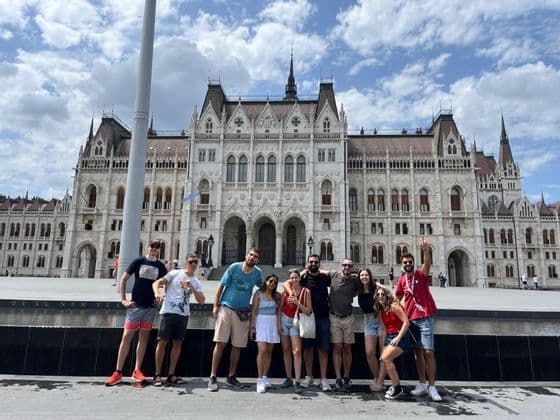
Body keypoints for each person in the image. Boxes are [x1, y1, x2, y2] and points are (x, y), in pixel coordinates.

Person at [105, 241, 167, 386]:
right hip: (135, 306)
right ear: (148, 248)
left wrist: (162, 297)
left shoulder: (160, 266)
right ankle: (118, 372)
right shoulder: (139, 261)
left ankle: (137, 370)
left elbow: (167, 282)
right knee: (127, 336)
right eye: (152, 247)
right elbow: (123, 279)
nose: (154, 249)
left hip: (150, 307)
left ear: (159, 250)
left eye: (157, 248)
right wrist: (123, 299)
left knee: (143, 337)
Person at [208, 248, 263, 392]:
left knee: (237, 345)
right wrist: (215, 306)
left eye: (255, 256)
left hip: (243, 312)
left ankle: (231, 376)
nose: (252, 257)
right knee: (220, 343)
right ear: (246, 256)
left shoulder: (257, 273)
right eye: (250, 254)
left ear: (258, 260)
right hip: (226, 308)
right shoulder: (234, 267)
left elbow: (263, 287)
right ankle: (213, 376)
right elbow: (221, 286)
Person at [395, 239, 442, 401]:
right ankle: (422, 384)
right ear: (402, 264)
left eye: (410, 262)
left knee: (429, 352)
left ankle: (432, 386)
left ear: (414, 263)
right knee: (418, 352)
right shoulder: (401, 280)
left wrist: (426, 251)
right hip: (411, 320)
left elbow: (427, 264)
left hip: (425, 318)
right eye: (405, 262)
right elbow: (397, 298)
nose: (408, 264)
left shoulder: (421, 275)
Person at [152, 254, 205, 386]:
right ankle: (157, 374)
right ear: (186, 263)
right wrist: (158, 293)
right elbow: (157, 283)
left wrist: (192, 287)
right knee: (162, 342)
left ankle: (171, 374)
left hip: (183, 315)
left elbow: (201, 300)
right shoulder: (175, 273)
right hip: (168, 312)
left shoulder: (196, 281)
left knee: (177, 344)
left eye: (195, 262)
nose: (193, 264)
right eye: (190, 262)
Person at [284, 254, 332, 391]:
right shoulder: (303, 277)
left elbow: (337, 280)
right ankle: (309, 376)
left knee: (323, 348)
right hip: (306, 317)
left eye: (316, 262)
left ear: (319, 263)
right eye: (311, 262)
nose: (313, 263)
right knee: (307, 348)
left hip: (322, 317)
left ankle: (323, 378)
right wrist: (292, 293)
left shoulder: (324, 277)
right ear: (307, 263)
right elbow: (288, 282)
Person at [279, 269, 312, 394]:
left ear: (300, 278)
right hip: (284, 321)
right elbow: (280, 308)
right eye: (291, 278)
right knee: (286, 350)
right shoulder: (285, 292)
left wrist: (298, 303)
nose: (294, 280)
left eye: (296, 277)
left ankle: (297, 380)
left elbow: (309, 311)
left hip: (296, 322)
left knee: (297, 351)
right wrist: (278, 323)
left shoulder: (306, 291)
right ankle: (288, 378)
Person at [329, 258, 359, 391]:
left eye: (350, 265)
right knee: (337, 347)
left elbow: (367, 285)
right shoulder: (333, 275)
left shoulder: (354, 281)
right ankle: (338, 377)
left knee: (347, 348)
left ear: (352, 267)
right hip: (334, 317)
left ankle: (346, 376)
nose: (347, 267)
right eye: (345, 265)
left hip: (348, 318)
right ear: (340, 266)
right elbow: (317, 271)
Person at [375, 287, 410, 400]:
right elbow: (384, 330)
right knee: (385, 358)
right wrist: (383, 346)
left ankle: (397, 388)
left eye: (382, 294)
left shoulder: (394, 306)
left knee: (386, 359)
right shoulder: (381, 312)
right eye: (378, 295)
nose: (380, 296)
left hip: (401, 336)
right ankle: (396, 387)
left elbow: (406, 322)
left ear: (387, 296)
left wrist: (398, 338)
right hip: (390, 337)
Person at [251, 274, 282, 393]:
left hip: (272, 322)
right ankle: (259, 379)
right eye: (271, 281)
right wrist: (252, 327)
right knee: (262, 350)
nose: (273, 284)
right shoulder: (258, 294)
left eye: (275, 282)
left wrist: (279, 326)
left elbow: (279, 312)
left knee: (269, 351)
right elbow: (254, 311)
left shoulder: (277, 296)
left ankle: (265, 377)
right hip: (261, 322)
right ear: (266, 281)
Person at [357, 268, 384, 392]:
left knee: (383, 354)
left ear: (370, 276)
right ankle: (377, 377)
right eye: (362, 275)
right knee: (369, 352)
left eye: (366, 275)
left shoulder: (376, 288)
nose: (364, 277)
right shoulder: (359, 289)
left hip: (381, 321)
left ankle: (380, 381)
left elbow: (389, 295)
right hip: (368, 321)